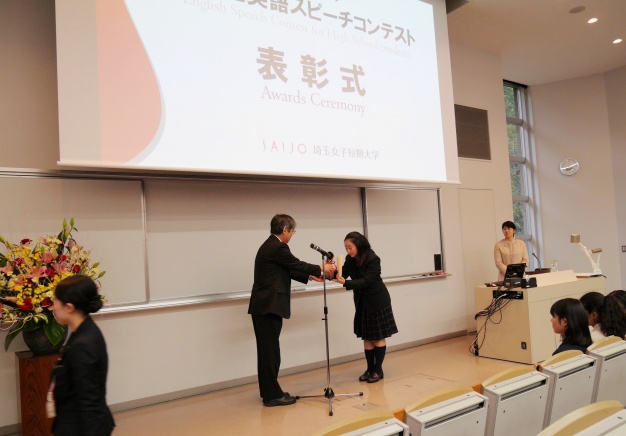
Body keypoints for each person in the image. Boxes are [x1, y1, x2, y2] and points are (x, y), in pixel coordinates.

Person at [248, 214, 334, 407]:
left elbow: (288, 269)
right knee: (270, 352)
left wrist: (310, 277)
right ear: (285, 229)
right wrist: (321, 268)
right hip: (268, 307)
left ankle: (270, 391)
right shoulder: (277, 246)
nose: (293, 234)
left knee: (269, 351)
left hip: (265, 306)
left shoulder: (271, 246)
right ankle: (272, 396)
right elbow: (297, 264)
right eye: (293, 231)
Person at [50, 275, 115, 435]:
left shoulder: (83, 346)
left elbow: (89, 402)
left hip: (80, 427)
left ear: (69, 307)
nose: (53, 306)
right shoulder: (84, 330)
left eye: (55, 301)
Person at [334, 231, 398, 383]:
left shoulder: (373, 259)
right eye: (346, 248)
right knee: (367, 337)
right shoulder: (350, 259)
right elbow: (343, 273)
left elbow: (366, 281)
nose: (348, 251)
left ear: (359, 244)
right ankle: (369, 369)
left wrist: (345, 283)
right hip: (362, 301)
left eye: (350, 247)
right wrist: (331, 272)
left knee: (378, 337)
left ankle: (378, 370)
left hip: (377, 301)